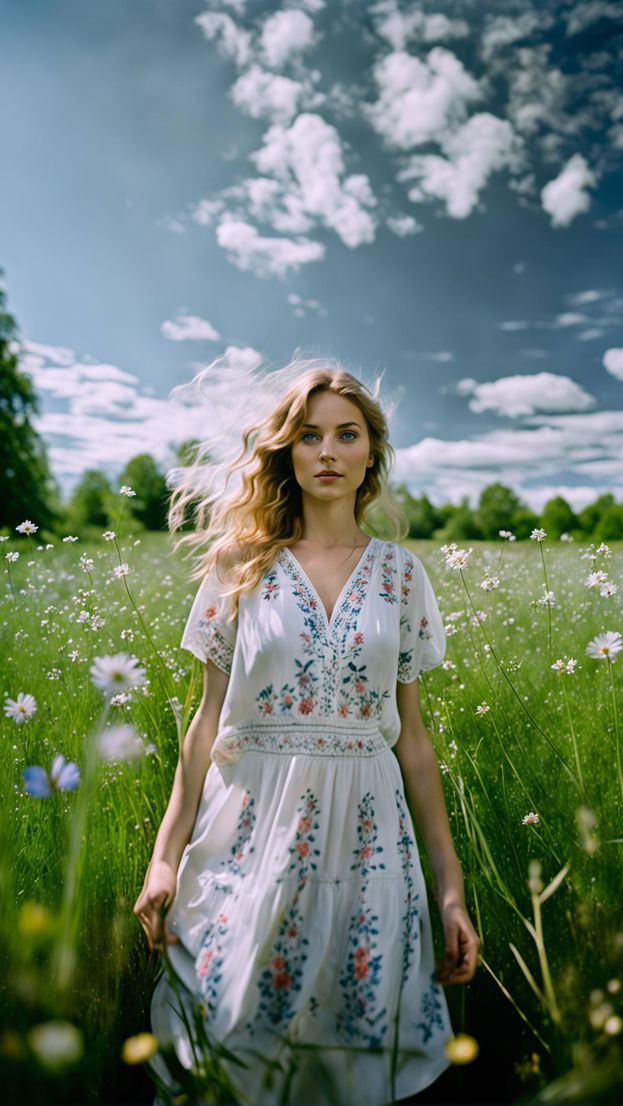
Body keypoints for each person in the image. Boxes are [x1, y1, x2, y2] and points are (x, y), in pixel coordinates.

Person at [134, 363, 481, 1106]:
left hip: (368, 834)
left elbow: (413, 744)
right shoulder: (240, 566)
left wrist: (449, 891)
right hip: (252, 827)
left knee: (357, 1051)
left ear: (369, 454)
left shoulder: (400, 576)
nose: (327, 451)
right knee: (235, 1035)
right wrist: (164, 858)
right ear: (287, 454)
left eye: (345, 435)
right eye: (309, 435)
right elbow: (205, 725)